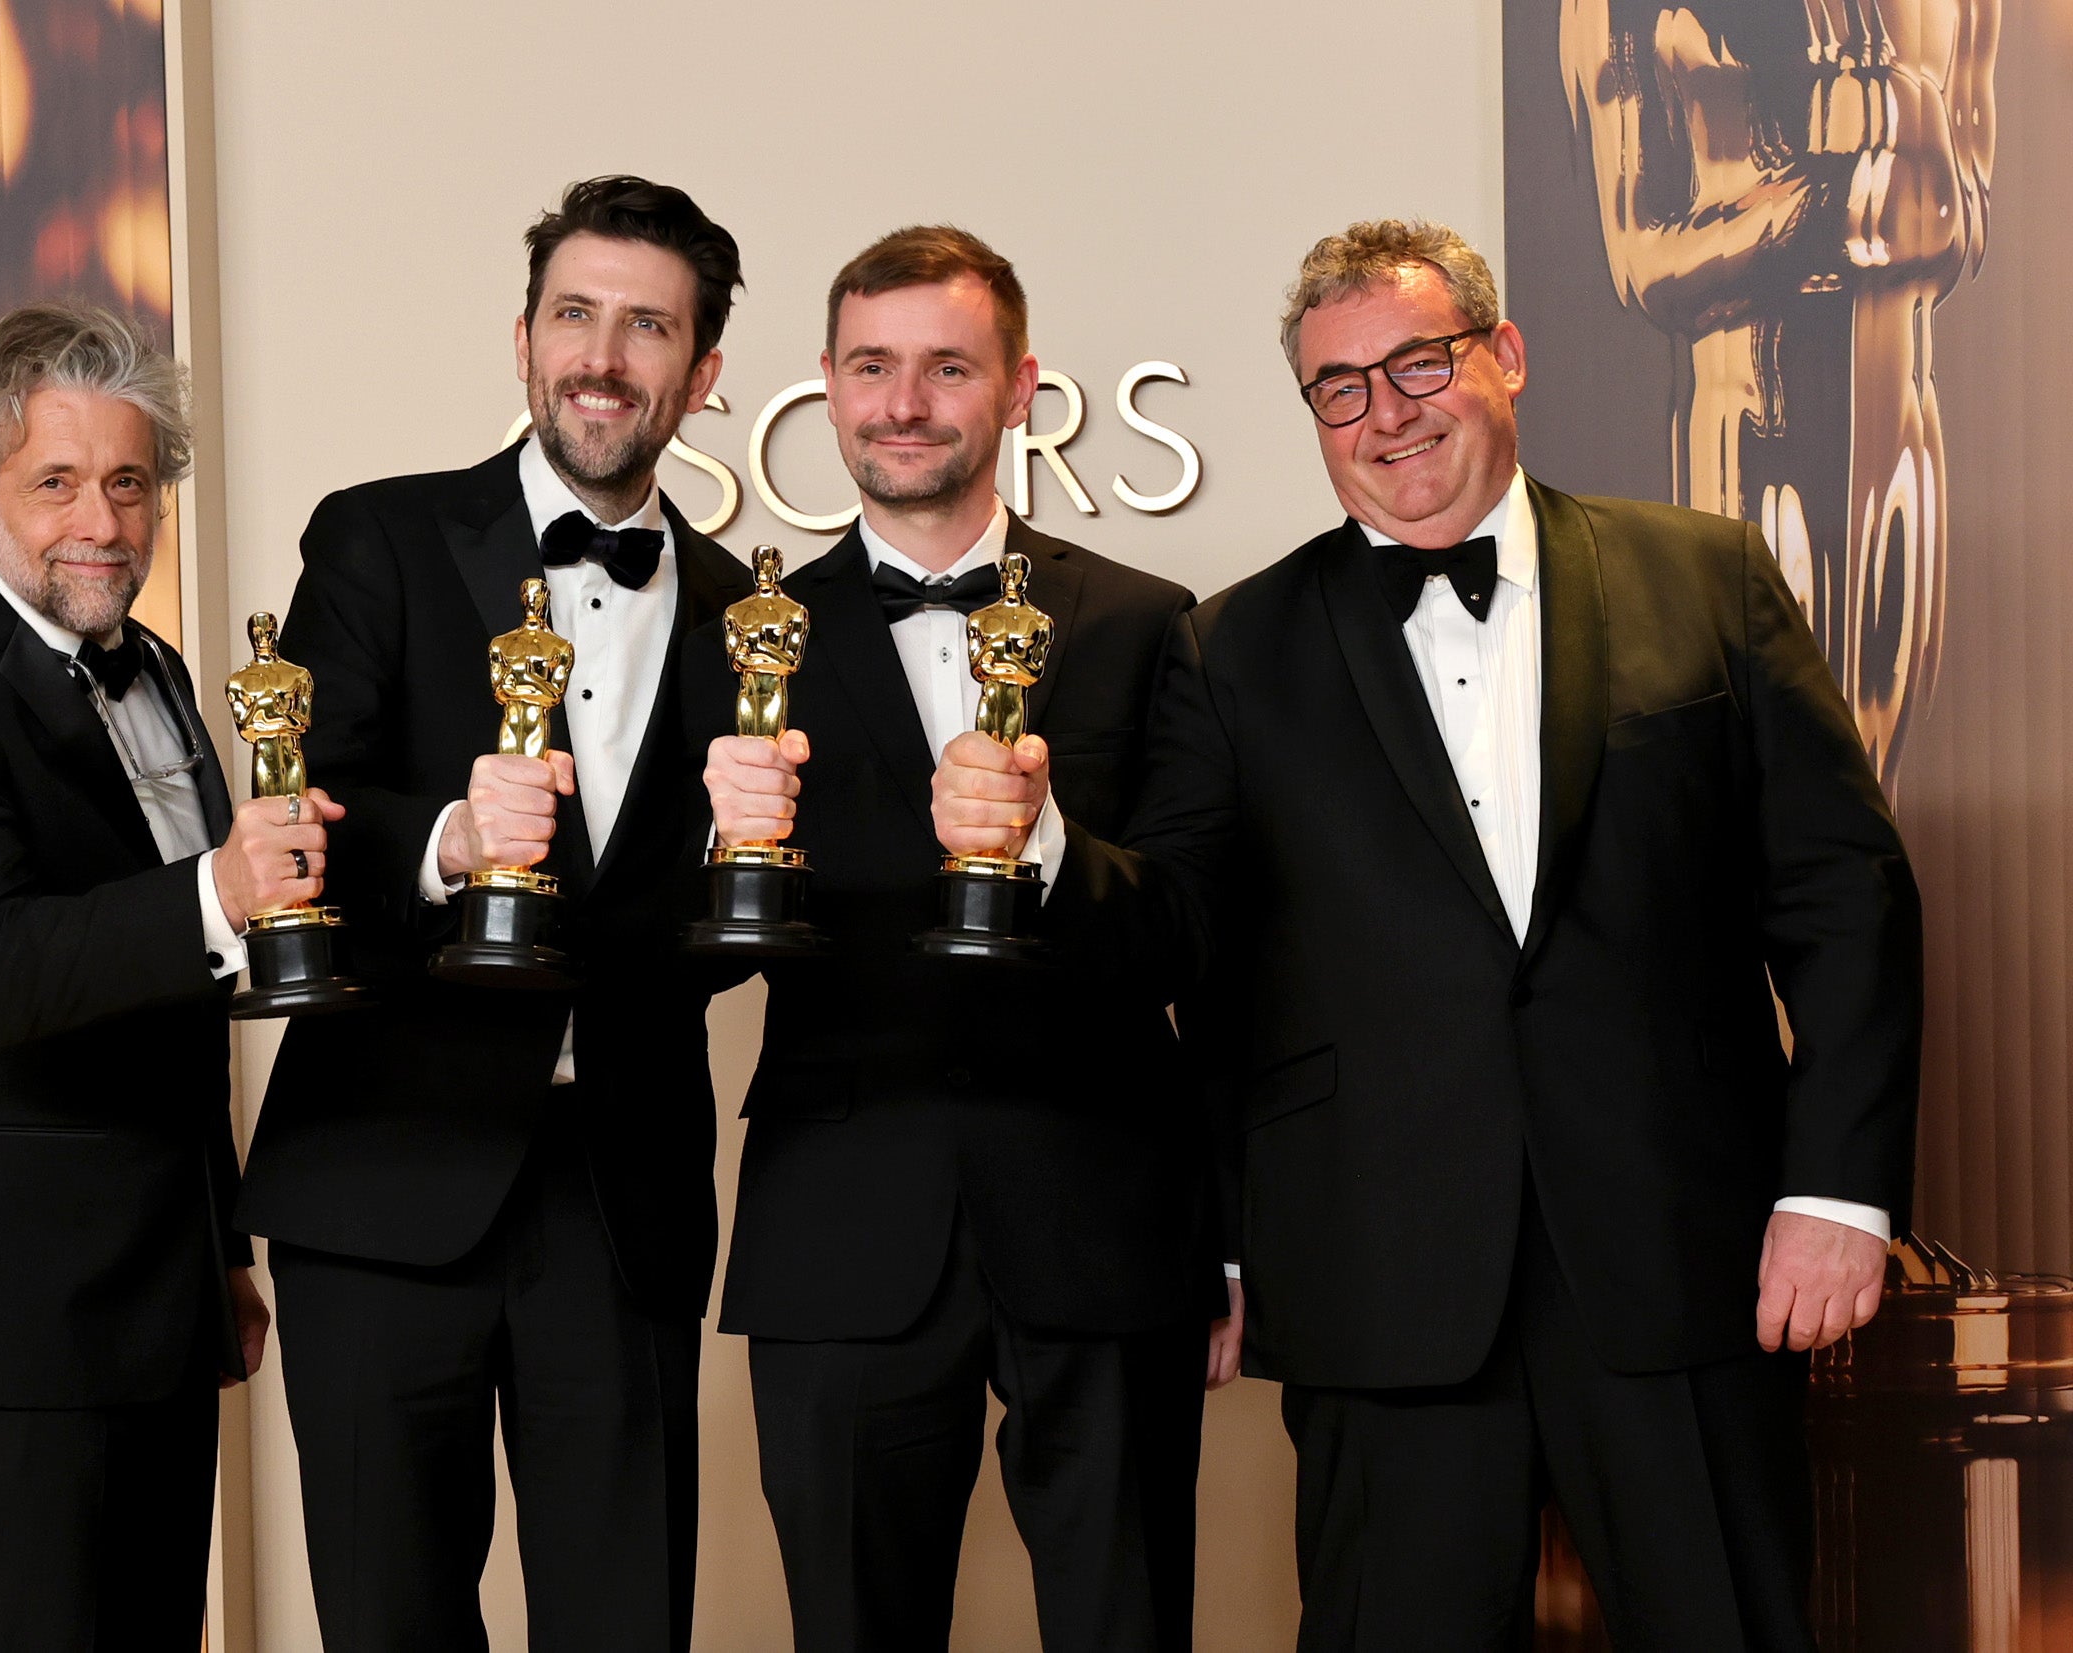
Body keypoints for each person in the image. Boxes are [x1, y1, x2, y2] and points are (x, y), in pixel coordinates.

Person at [1045, 219, 1920, 1650]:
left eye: (1418, 363)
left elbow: (1845, 894)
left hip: (1684, 1254)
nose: (1386, 413)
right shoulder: (1232, 646)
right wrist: (1217, 1244)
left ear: (1503, 356)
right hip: (1378, 1278)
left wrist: (1839, 1192)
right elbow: (1196, 959)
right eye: (1342, 387)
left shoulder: (1705, 575)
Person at [234, 176, 749, 1652]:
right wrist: (452, 836)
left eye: (648, 325)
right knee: (391, 1622)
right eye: (575, 314)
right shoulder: (381, 539)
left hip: (623, 1190)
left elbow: (736, 915)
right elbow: (299, 806)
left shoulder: (750, 615)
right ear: (522, 340)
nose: (604, 353)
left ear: (701, 374)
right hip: (384, 1180)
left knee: (623, 1619)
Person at [699, 225, 1223, 1653]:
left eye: (946, 366)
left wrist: (1045, 844)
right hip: (842, 1229)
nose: (905, 401)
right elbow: (675, 948)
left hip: (1106, 1219)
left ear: (1021, 388)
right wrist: (718, 838)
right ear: (825, 386)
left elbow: (1195, 930)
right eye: (871, 367)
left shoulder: (1143, 622)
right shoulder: (741, 637)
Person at [0, 302, 314, 1650]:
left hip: (157, 1297)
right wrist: (219, 887)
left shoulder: (150, 668)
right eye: (56, 482)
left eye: (128, 481)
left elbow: (178, 1000)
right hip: (0, 1314)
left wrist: (222, 1245)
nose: (100, 517)